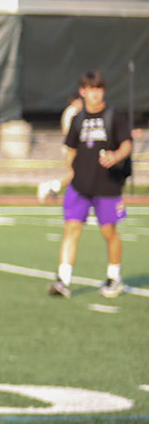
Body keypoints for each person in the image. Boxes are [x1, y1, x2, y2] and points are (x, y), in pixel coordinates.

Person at [48, 71, 131, 298]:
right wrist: (68, 173)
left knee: (109, 231)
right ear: (83, 92)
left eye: (99, 89)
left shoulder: (115, 115)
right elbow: (71, 149)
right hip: (79, 186)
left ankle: (114, 277)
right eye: (90, 90)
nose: (95, 94)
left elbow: (127, 144)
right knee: (71, 228)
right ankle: (63, 280)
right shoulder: (78, 119)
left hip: (107, 186)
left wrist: (116, 156)